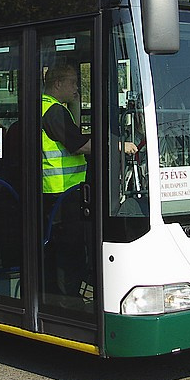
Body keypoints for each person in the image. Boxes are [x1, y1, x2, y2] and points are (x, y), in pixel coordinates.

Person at [40, 63, 136, 302]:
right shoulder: (53, 111)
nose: (76, 88)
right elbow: (79, 144)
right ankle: (67, 300)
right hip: (61, 193)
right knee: (69, 252)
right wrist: (117, 147)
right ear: (58, 84)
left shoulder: (48, 106)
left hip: (57, 191)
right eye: (72, 82)